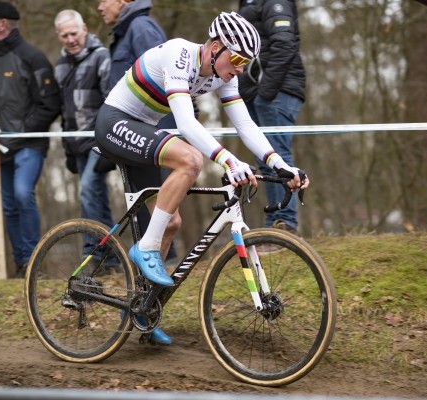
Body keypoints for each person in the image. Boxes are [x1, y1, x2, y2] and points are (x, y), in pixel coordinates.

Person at [94, 11, 308, 343]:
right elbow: (187, 124)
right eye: (236, 58)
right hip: (115, 122)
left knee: (172, 222)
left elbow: (245, 125)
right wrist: (227, 160)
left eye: (246, 63)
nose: (239, 68)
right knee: (191, 160)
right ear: (216, 47)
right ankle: (145, 249)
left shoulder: (225, 76)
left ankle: (139, 307)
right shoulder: (180, 55)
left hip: (142, 129)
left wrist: (279, 164)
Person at [0, 1, 60, 278]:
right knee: (8, 204)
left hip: (28, 145)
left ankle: (34, 261)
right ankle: (22, 262)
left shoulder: (32, 57)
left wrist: (20, 132)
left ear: (3, 24)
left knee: (24, 194)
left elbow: (50, 104)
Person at [98, 0, 180, 263]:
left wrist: (167, 137)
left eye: (103, 0)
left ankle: (159, 269)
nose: (100, 7)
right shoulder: (126, 30)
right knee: (150, 211)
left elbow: (164, 84)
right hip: (124, 128)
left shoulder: (141, 28)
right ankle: (144, 284)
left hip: (150, 130)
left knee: (160, 214)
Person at [54, 9, 119, 270]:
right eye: (64, 35)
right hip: (75, 141)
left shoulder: (101, 57)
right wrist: (66, 147)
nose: (71, 39)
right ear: (59, 37)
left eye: (74, 33)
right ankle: (109, 257)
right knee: (94, 197)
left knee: (88, 190)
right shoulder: (60, 64)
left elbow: (111, 101)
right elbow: (63, 108)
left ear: (85, 29)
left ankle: (92, 253)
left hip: (98, 138)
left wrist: (106, 144)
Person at [237, 0, 306, 236]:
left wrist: (265, 92)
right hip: (257, 91)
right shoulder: (249, 3)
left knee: (277, 153)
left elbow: (285, 44)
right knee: (264, 157)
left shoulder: (274, 2)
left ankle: (285, 223)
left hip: (276, 91)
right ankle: (274, 221)